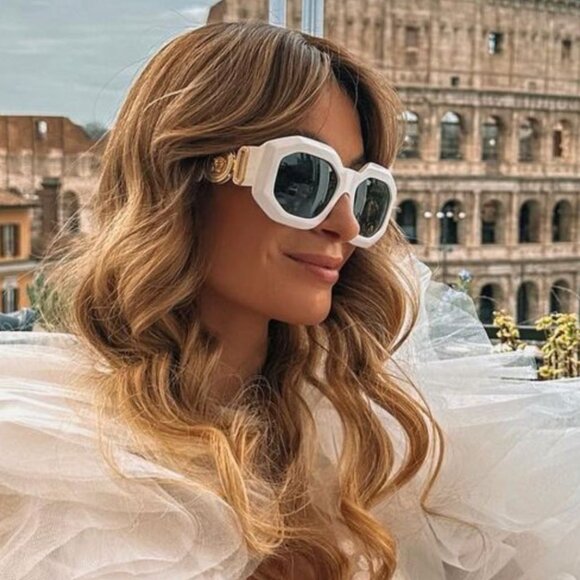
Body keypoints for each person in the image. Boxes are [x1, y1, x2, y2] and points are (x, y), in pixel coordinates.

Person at [1, 21, 580, 580]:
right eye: (303, 178)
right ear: (187, 175)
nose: (346, 224)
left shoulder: (379, 434)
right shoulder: (49, 463)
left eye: (366, 192)